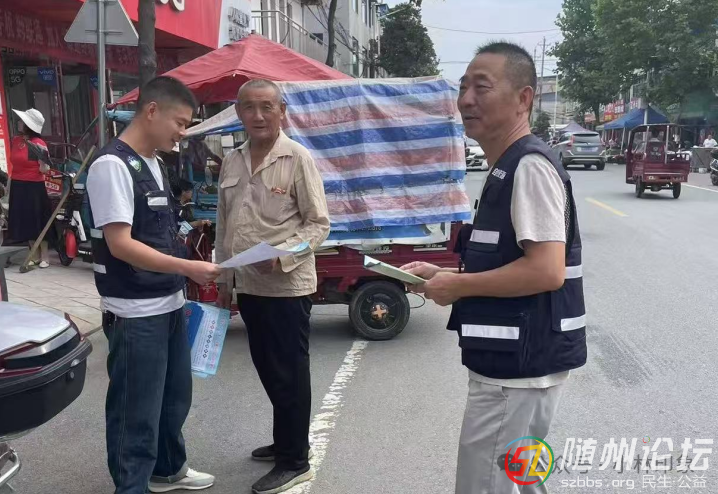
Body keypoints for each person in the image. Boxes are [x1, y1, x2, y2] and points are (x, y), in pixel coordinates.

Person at [402, 42, 587, 494]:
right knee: (518, 483)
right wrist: (444, 275)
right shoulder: (507, 166)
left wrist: (459, 286)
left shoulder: (528, 167)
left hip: (517, 373)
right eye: (463, 87)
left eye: (481, 88)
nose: (466, 100)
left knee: (485, 485)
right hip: (514, 367)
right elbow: (504, 257)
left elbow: (546, 271)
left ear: (524, 99)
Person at [86, 76, 221, 494]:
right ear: (151, 111)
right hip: (134, 311)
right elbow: (121, 245)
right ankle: (132, 487)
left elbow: (160, 229)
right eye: (180, 123)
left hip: (168, 303)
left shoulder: (155, 163)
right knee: (136, 409)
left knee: (174, 398)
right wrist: (187, 267)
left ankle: (167, 469)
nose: (182, 133)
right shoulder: (111, 166)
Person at [215, 79, 330, 494]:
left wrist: (282, 256)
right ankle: (288, 441)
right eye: (249, 107)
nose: (258, 115)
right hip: (248, 286)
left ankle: (295, 461)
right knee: (268, 369)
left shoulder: (297, 158)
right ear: (238, 112)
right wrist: (224, 280)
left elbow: (318, 224)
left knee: (289, 374)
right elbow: (224, 224)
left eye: (267, 106)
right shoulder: (232, 161)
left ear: (282, 111)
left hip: (287, 287)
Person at [6, 108, 51, 268]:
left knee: (38, 220)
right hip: (18, 184)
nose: (19, 122)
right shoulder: (16, 140)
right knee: (25, 220)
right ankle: (34, 254)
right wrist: (9, 185)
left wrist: (42, 162)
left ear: (28, 125)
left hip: (34, 187)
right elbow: (14, 164)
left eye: (22, 120)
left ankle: (44, 255)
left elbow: (44, 169)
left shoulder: (38, 144)